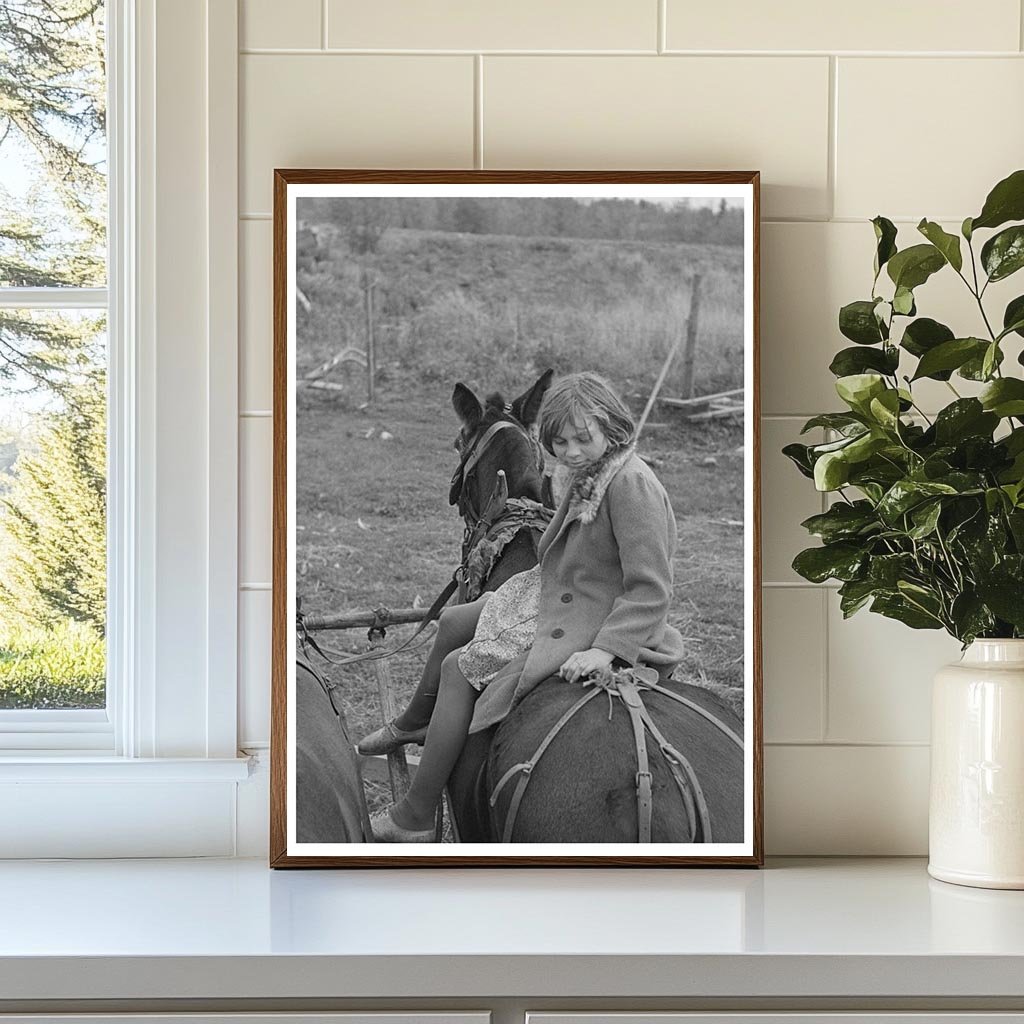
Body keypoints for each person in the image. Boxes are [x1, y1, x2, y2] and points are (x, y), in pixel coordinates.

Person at [362, 371, 685, 842]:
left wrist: (606, 649)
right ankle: (414, 723)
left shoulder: (631, 485)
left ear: (612, 426)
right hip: (554, 589)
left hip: (591, 613)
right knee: (454, 619)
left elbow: (651, 588)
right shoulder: (595, 470)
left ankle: (414, 815)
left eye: (581, 439)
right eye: (558, 442)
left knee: (458, 668)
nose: (570, 451)